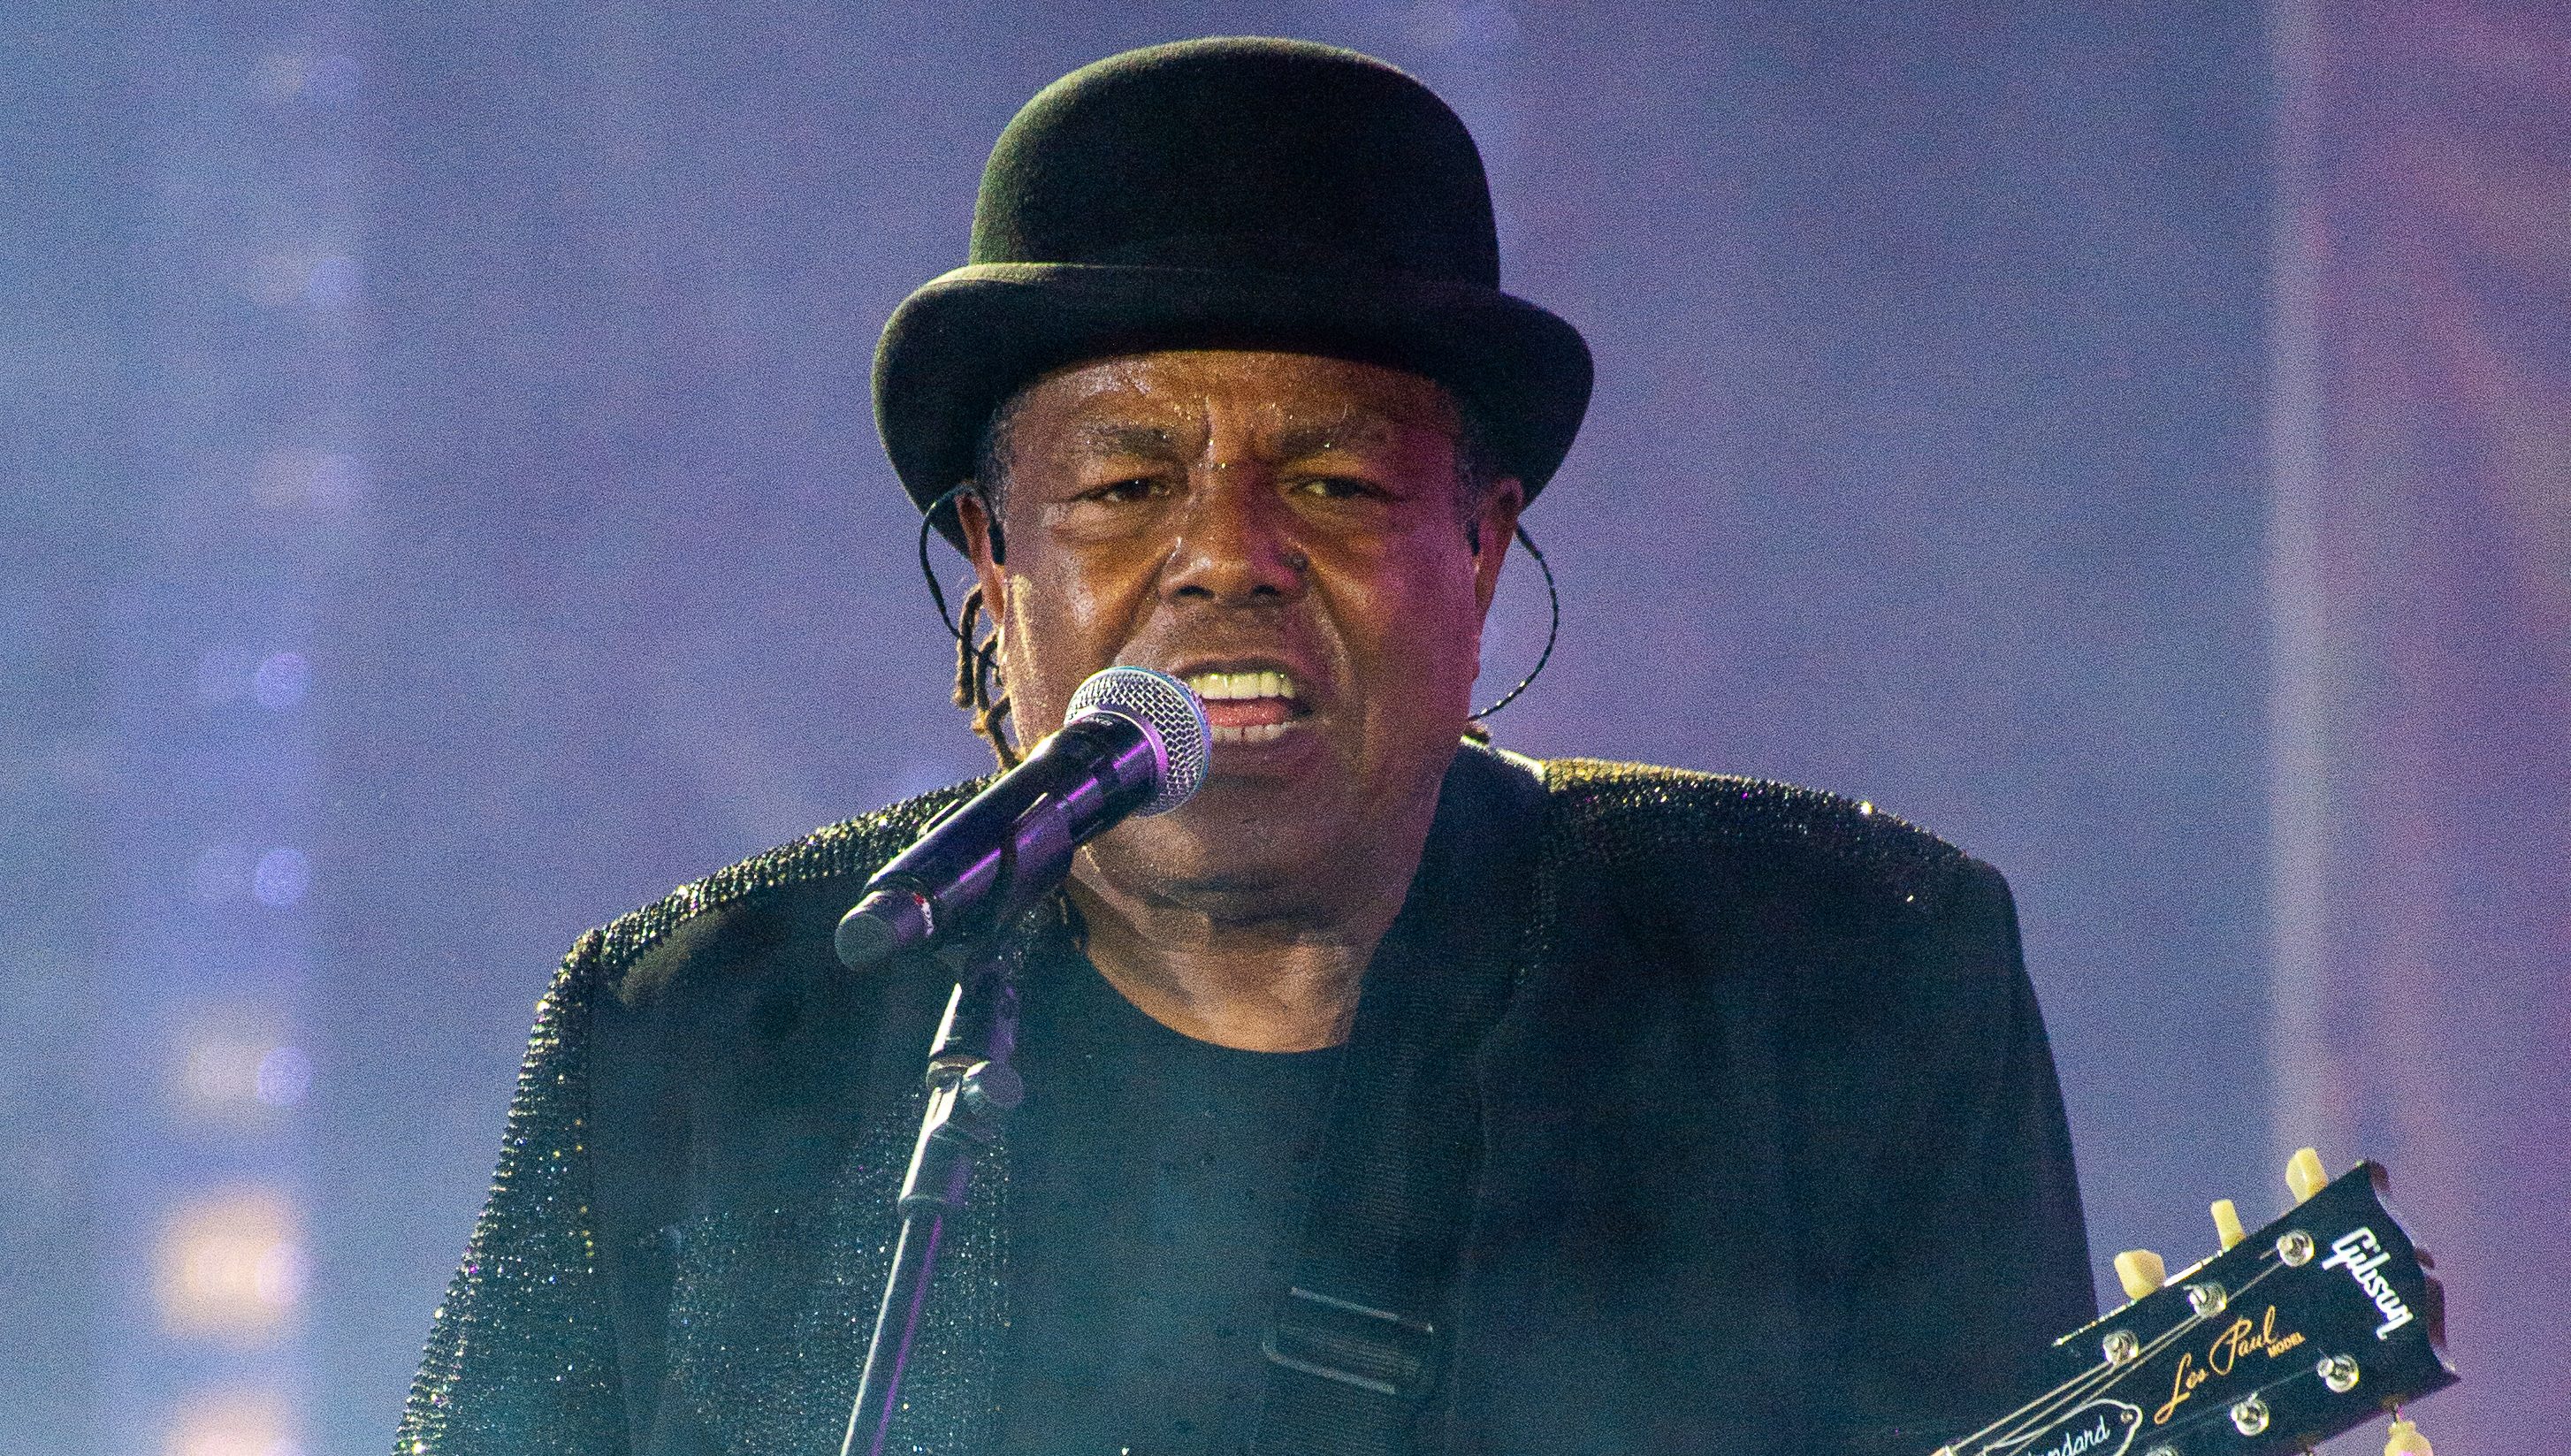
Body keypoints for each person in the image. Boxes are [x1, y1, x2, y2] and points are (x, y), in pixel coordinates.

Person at [397, 37, 2093, 1456]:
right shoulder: (703, 1030)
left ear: (1481, 548)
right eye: (1128, 486)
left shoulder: (1835, 974)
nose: (1228, 551)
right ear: (996, 562)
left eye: (1338, 484)